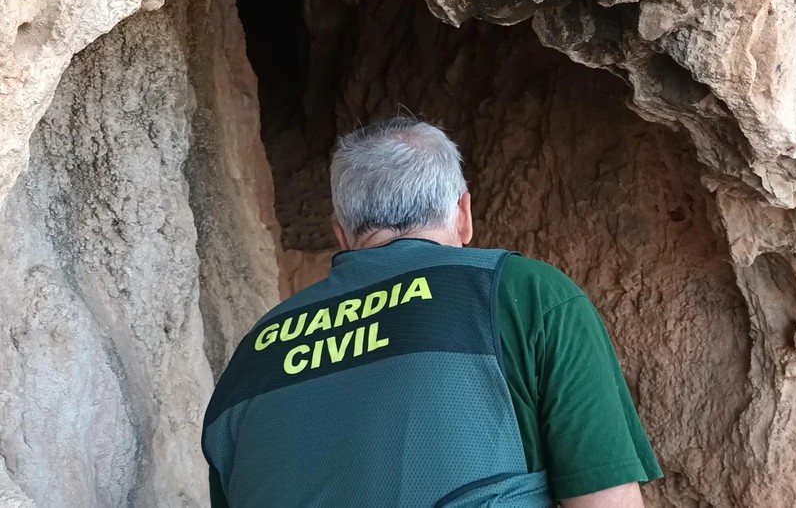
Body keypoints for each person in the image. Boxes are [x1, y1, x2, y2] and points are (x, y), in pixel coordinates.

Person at [202, 116, 663, 507]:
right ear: (463, 214)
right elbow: (607, 499)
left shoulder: (253, 355)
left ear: (340, 234)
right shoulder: (525, 295)